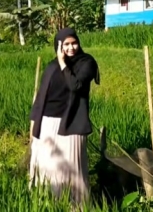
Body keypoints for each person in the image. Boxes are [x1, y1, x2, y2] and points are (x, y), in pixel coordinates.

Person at [28, 27, 100, 206]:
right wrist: (33, 123)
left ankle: (77, 207)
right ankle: (51, 204)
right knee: (48, 167)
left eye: (74, 43)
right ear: (58, 45)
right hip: (47, 125)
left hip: (71, 123)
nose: (71, 48)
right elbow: (41, 97)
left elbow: (75, 85)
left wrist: (63, 63)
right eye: (66, 44)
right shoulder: (52, 66)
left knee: (72, 169)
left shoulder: (86, 62)